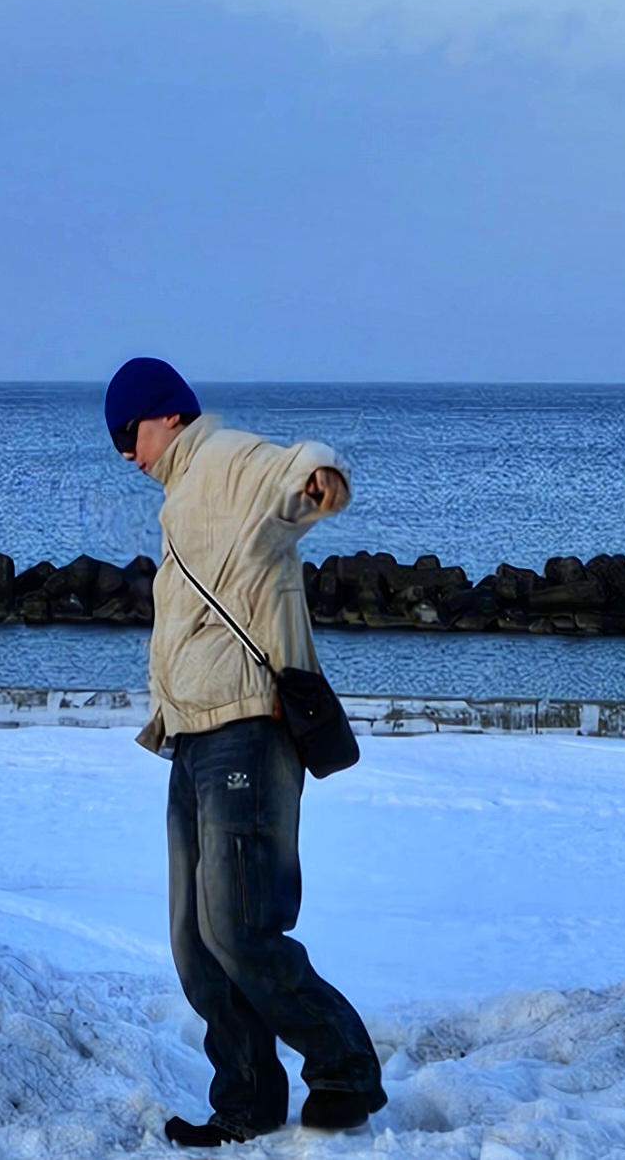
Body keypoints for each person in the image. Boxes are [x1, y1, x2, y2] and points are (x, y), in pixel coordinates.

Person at [106, 353, 385, 1145]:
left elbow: (292, 468)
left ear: (168, 414)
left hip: (247, 731)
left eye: (130, 432)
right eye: (116, 443)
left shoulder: (223, 459)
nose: (127, 453)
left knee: (241, 927)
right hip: (190, 737)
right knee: (196, 944)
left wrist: (318, 479)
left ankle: (345, 1069)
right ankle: (248, 1097)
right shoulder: (181, 498)